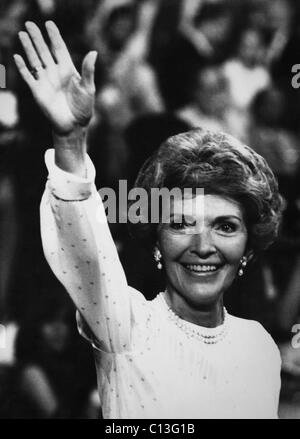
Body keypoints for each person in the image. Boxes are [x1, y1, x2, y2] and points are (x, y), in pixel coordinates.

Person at [14, 21, 283, 419]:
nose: (203, 245)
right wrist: (70, 142)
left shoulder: (260, 347)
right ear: (156, 240)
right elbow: (86, 252)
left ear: (247, 246)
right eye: (180, 224)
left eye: (225, 226)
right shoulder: (127, 326)